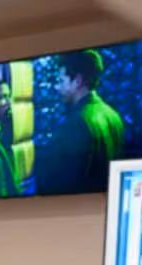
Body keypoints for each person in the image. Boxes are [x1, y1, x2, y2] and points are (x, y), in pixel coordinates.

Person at [39, 49, 125, 194]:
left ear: (78, 80)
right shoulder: (114, 116)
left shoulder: (77, 123)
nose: (58, 88)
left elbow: (62, 185)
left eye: (61, 81)